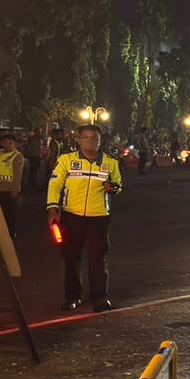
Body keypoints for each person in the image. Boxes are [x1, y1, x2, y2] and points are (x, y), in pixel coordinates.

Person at [46, 124, 123, 312]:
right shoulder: (66, 160)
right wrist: (52, 209)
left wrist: (113, 188)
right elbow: (55, 185)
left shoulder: (111, 162)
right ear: (78, 140)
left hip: (99, 218)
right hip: (72, 216)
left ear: (100, 141)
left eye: (94, 138)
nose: (90, 141)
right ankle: (72, 296)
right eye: (86, 137)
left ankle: (100, 297)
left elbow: (118, 185)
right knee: (71, 258)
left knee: (98, 259)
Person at [0, 133, 25, 238]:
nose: (7, 145)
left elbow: (17, 175)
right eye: (5, 142)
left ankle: (10, 234)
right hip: (0, 190)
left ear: (15, 144)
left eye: (10, 143)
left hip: (9, 191)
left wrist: (14, 191)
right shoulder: (0, 153)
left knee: (10, 214)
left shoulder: (17, 156)